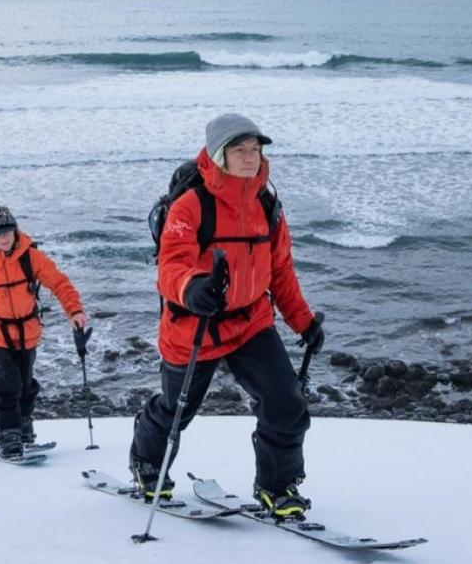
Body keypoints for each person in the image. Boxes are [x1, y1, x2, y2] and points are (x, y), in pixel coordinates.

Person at [129, 113, 325, 517]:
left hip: (251, 322)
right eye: (240, 150)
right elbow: (170, 267)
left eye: (256, 149)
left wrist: (302, 321)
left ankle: (278, 487)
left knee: (285, 401)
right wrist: (192, 289)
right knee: (176, 408)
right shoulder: (191, 205)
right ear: (220, 155)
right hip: (194, 324)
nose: (251, 158)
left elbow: (282, 271)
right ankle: (147, 464)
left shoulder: (267, 204)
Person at [0, 204, 89, 458]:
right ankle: (9, 435)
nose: (4, 238)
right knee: (8, 384)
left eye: (7, 232)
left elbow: (60, 284)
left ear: (15, 230)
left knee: (26, 385)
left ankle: (24, 428)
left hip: (27, 331)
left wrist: (75, 311)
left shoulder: (32, 257)